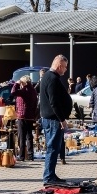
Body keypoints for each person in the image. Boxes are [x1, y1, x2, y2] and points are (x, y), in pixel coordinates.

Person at [39, 55, 73, 185]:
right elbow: (54, 102)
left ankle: (51, 174)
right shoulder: (52, 79)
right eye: (65, 67)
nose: (65, 70)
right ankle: (48, 177)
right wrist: (62, 119)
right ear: (59, 66)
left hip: (50, 118)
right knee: (53, 148)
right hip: (53, 119)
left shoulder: (48, 77)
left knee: (53, 147)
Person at [11, 75, 38, 161]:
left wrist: (16, 84)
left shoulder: (23, 91)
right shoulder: (33, 91)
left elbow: (13, 92)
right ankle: (30, 155)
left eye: (21, 82)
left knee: (21, 136)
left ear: (24, 83)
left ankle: (22, 156)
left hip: (22, 116)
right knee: (29, 136)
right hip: (30, 116)